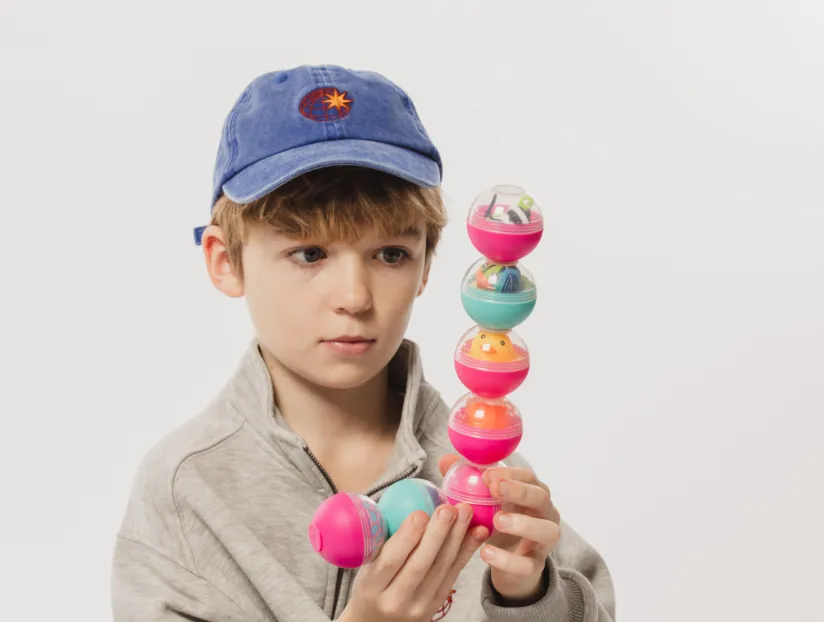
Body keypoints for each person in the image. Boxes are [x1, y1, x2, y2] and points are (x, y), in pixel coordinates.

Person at [111, 64, 616, 622]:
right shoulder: (188, 487)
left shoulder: (481, 469)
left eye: (390, 254)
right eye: (309, 254)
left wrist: (530, 598)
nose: (354, 296)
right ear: (226, 262)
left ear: (426, 265)